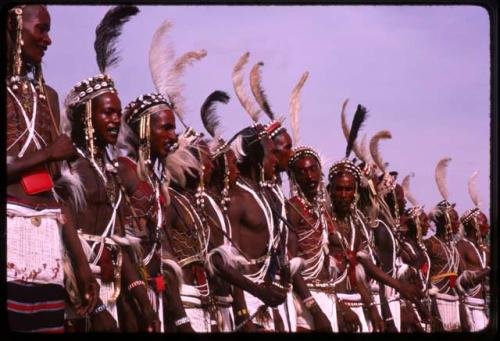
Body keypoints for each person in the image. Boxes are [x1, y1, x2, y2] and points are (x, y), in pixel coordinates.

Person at [62, 5, 160, 332]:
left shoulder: (110, 171)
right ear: (87, 116)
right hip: (74, 290)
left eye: (118, 113)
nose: (116, 120)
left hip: (108, 286)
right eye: (107, 113)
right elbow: (60, 237)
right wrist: (97, 308)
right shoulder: (68, 165)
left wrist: (142, 299)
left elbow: (118, 239)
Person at [6, 5, 98, 333]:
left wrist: (81, 263)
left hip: (46, 244)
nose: (48, 39)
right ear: (14, 26)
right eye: (41, 29)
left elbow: (55, 191)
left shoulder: (48, 97)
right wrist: (48, 151)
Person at [425, 158, 461, 332]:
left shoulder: (454, 248)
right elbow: (423, 278)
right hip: (436, 303)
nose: (458, 223)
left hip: (454, 302)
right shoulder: (429, 244)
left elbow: (457, 277)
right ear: (445, 221)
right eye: (455, 219)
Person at [455, 171, 490, 332]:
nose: (486, 225)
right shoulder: (461, 246)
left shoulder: (485, 251)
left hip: (484, 305)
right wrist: (488, 271)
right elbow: (463, 281)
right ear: (472, 225)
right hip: (468, 305)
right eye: (483, 222)